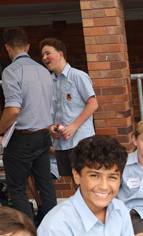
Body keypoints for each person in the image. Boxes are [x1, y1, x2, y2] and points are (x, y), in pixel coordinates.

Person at [0, 27, 56, 223]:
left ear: (7, 47)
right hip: (43, 135)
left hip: (22, 137)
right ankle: (52, 228)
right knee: (45, 185)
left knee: (17, 188)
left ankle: (29, 234)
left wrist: (0, 130)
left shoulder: (11, 71)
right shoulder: (44, 70)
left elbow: (13, 109)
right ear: (28, 46)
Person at [40, 37, 99, 178]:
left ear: (60, 54)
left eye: (48, 53)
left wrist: (73, 126)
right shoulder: (49, 82)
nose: (44, 58)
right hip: (61, 143)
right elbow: (49, 112)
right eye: (42, 55)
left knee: (86, 179)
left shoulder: (78, 76)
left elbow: (93, 104)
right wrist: (50, 127)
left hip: (81, 141)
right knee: (74, 180)